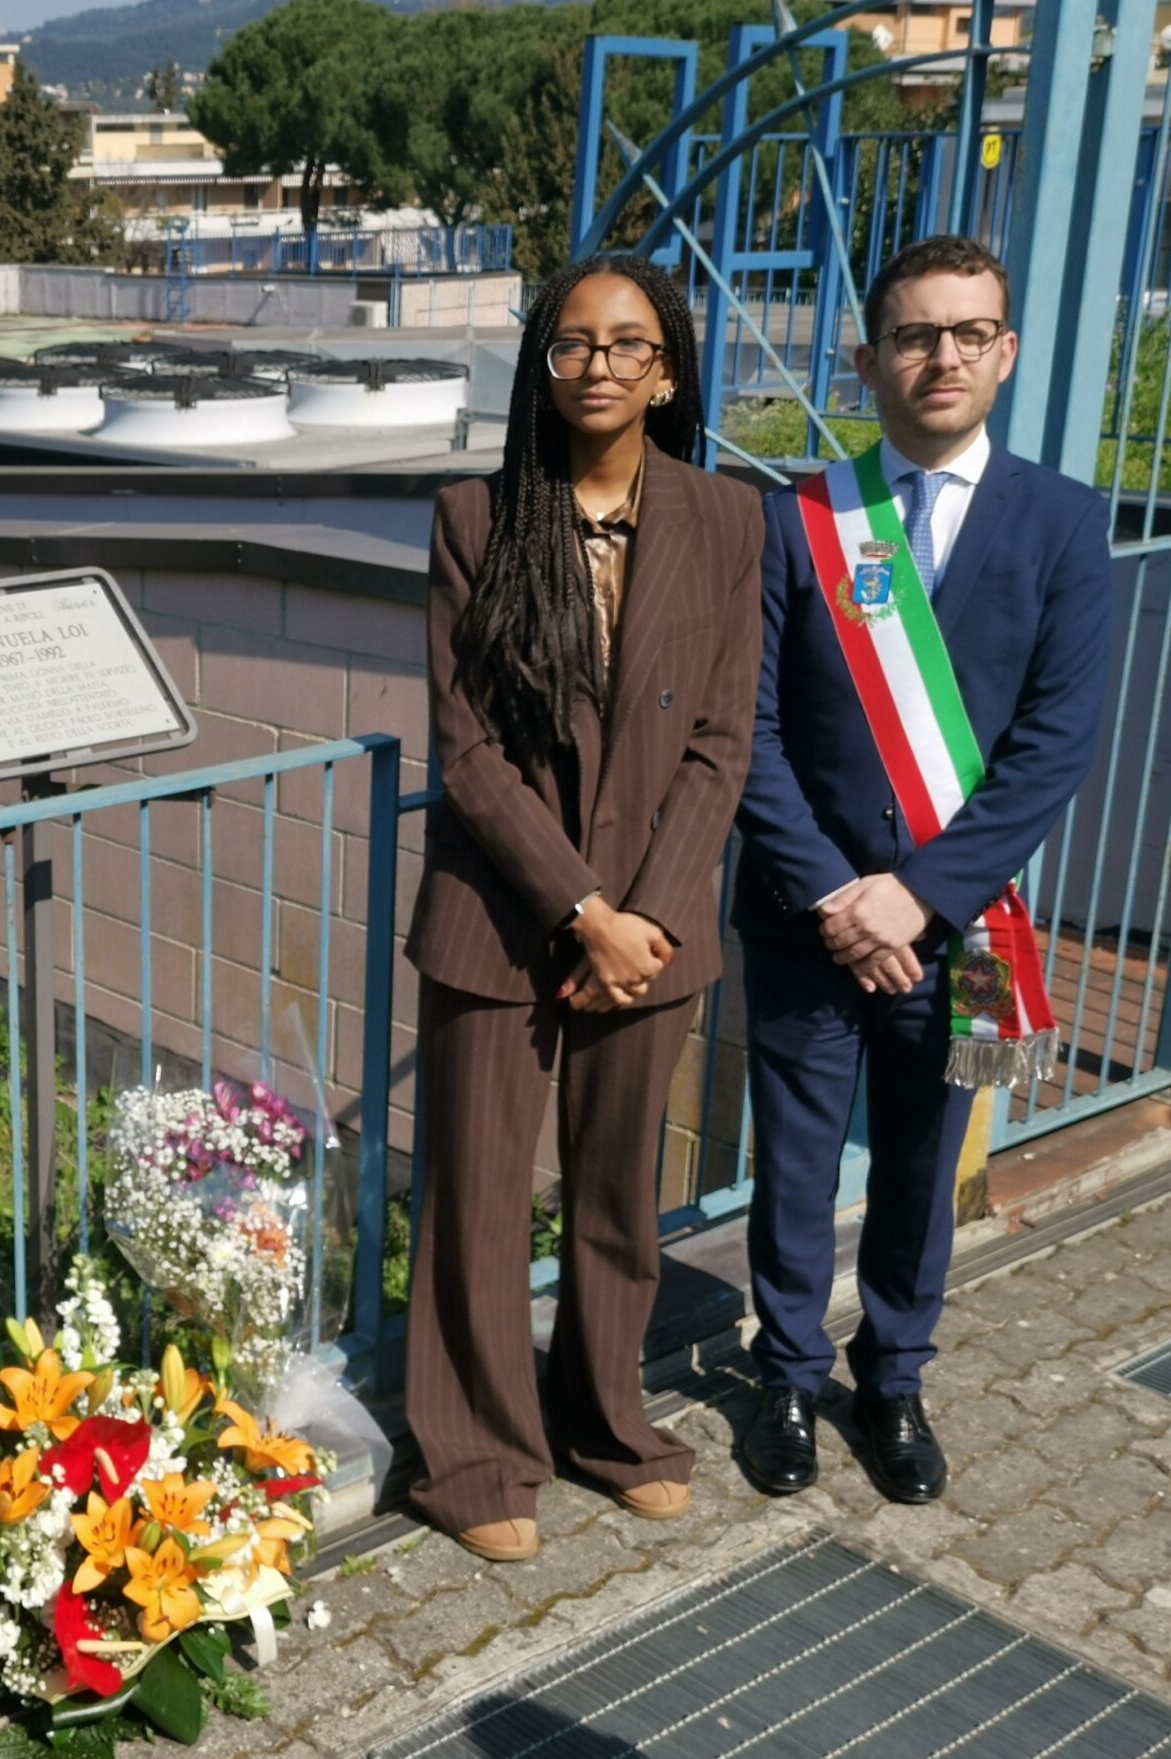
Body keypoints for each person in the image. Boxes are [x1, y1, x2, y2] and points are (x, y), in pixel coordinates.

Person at [735, 234, 1115, 1505]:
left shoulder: (1064, 521)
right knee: (794, 1162)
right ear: (868, 360)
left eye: (967, 333)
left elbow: (1054, 744)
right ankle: (787, 1374)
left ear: (1004, 353)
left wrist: (918, 895)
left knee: (924, 1160)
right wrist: (838, 892)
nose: (940, 355)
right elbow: (750, 730)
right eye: (913, 334)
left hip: (968, 924)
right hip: (805, 914)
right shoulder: (797, 517)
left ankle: (892, 1375)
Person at [402, 252, 764, 1564]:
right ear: (541, 366)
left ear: (665, 371)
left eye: (626, 343)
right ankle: (474, 1455)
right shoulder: (476, 517)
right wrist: (583, 908)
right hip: (502, 915)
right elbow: (468, 751)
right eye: (571, 343)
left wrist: (646, 915)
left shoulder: (728, 520)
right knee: (479, 1200)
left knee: (616, 1195)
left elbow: (722, 739)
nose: (597, 363)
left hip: (654, 931)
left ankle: (607, 1424)